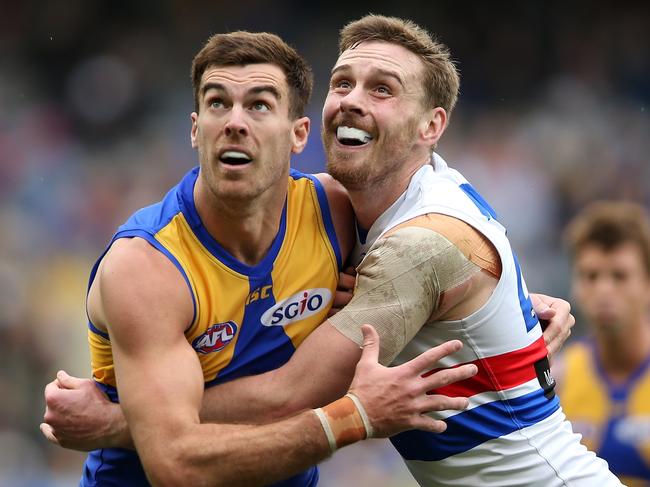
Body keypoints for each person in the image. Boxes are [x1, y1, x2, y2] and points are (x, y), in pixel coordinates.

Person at [41, 21, 576, 486]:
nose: (235, 122)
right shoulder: (148, 267)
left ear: (298, 135)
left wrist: (511, 298)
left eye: (259, 105)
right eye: (217, 103)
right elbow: (178, 465)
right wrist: (355, 417)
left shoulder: (336, 215)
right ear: (194, 128)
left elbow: (439, 260)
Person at [557, 201, 650, 486]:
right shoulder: (558, 380)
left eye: (619, 276)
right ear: (575, 286)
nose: (603, 290)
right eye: (591, 276)